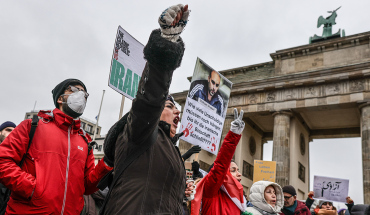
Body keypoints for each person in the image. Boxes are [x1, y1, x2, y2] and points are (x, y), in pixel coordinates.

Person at [102, 4, 192, 215]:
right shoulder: (141, 132)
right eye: (170, 106)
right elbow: (151, 96)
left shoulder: (171, 149)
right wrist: (166, 42)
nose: (178, 112)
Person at [0, 79, 113, 214]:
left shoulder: (85, 142)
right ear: (60, 98)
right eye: (75, 90)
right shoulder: (31, 126)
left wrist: (107, 162)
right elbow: (3, 161)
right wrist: (33, 189)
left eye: (85, 94)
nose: (81, 96)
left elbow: (87, 187)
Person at [190, 108, 246, 215]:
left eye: (238, 170)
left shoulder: (238, 201)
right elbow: (220, 166)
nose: (239, 174)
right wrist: (233, 135)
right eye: (233, 170)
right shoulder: (212, 191)